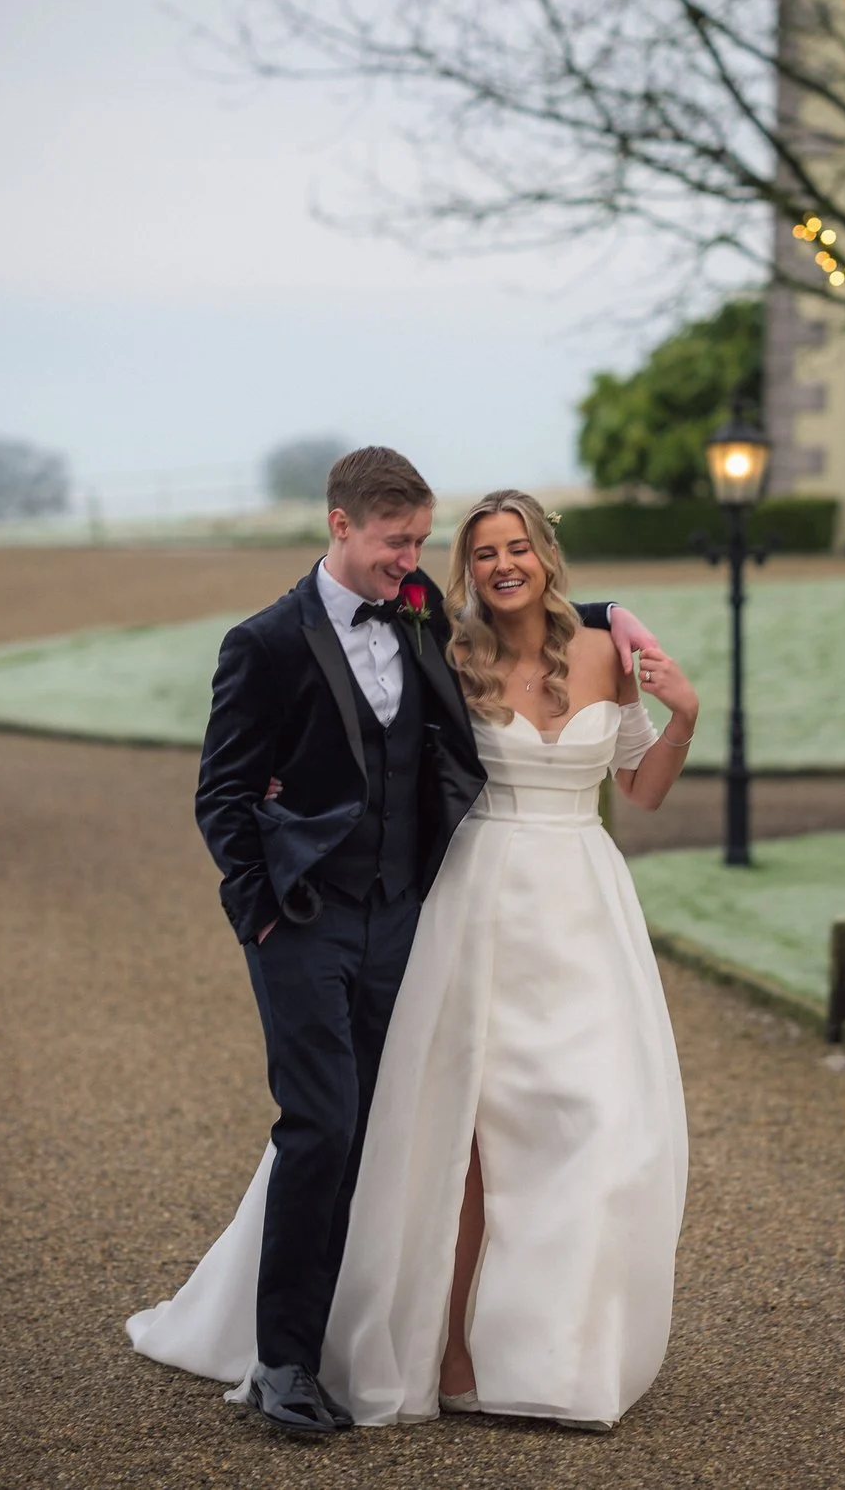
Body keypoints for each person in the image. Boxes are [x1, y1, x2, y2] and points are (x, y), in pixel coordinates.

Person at [132, 450, 654, 1436]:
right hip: (302, 918)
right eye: (395, 542)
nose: (411, 560)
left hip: (409, 918)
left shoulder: (421, 621)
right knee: (323, 1123)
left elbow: (529, 604)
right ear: (339, 526)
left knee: (386, 1128)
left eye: (421, 542)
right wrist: (260, 905)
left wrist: (621, 619)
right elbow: (221, 793)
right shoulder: (266, 642)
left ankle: (352, 1332)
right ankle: (285, 1362)